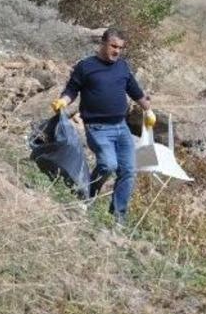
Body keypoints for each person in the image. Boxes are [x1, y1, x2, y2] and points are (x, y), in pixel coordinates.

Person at [52, 29, 155, 225]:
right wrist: (63, 102)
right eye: (113, 46)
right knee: (108, 165)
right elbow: (72, 89)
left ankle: (118, 217)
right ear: (103, 43)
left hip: (121, 128)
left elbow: (135, 91)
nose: (117, 51)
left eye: (120, 48)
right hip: (98, 128)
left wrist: (148, 111)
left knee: (128, 171)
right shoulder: (86, 67)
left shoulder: (123, 67)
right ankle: (87, 194)